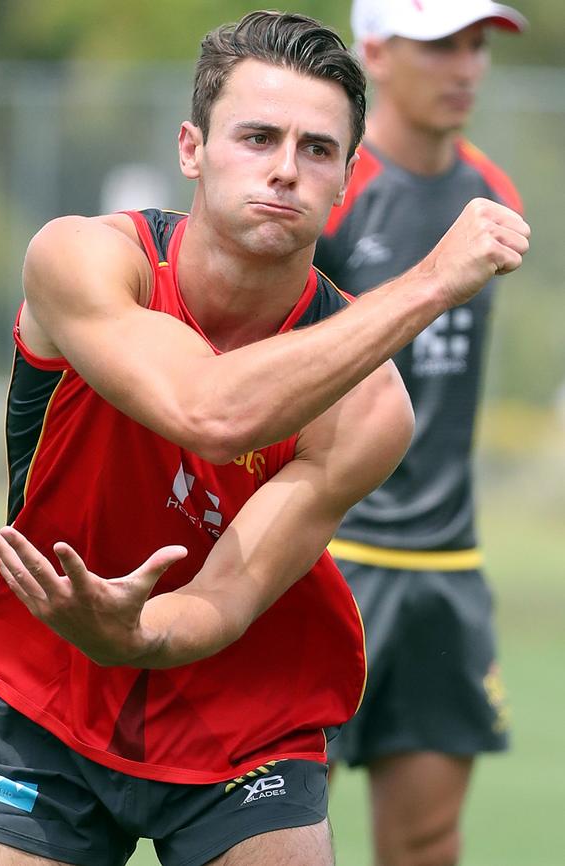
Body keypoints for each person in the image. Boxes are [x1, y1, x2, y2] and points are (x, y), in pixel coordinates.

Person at [0, 10, 529, 866]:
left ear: (345, 177)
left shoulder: (371, 408)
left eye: (317, 150)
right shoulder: (86, 261)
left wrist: (138, 636)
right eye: (257, 137)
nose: (285, 170)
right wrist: (433, 283)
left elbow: (230, 594)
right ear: (192, 149)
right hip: (39, 689)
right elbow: (210, 414)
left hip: (247, 714)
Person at [313, 1, 527, 864]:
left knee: (429, 843)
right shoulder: (325, 194)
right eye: (441, 44)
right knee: (275, 835)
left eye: (477, 45)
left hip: (446, 565)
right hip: (322, 555)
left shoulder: (493, 194)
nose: (466, 66)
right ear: (376, 52)